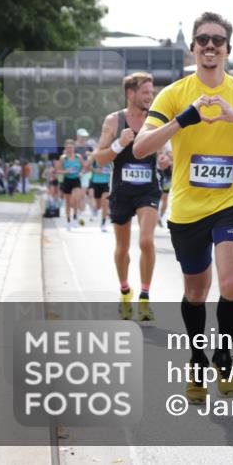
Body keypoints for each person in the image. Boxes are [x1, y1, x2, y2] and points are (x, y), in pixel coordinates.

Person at [133, 12, 233, 404]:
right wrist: (181, 123)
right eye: (202, 39)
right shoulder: (172, 95)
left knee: (232, 283)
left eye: (217, 40)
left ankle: (224, 351)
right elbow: (140, 147)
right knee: (195, 291)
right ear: (192, 47)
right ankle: (196, 357)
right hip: (188, 207)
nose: (209, 45)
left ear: (227, 48)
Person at [91, 72, 162, 321]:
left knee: (146, 241)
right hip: (121, 190)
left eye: (151, 93)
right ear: (131, 94)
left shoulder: (156, 120)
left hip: (148, 190)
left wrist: (166, 159)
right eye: (145, 92)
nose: (150, 97)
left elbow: (167, 151)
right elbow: (98, 158)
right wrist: (119, 144)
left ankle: (144, 297)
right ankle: (124, 292)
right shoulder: (114, 121)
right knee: (122, 248)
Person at [55, 140, 85, 229]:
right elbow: (58, 170)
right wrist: (66, 171)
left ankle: (75, 217)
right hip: (67, 180)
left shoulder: (78, 157)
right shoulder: (63, 158)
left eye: (71, 147)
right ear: (65, 148)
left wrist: (82, 172)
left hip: (76, 179)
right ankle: (68, 221)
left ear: (74, 148)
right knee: (68, 202)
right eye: (67, 148)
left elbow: (84, 167)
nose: (69, 149)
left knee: (76, 199)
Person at [86, 153, 112, 232]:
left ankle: (103, 223)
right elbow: (87, 166)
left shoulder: (111, 155)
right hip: (96, 182)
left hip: (107, 183)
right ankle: (95, 209)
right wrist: (95, 170)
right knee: (98, 206)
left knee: (105, 203)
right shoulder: (95, 155)